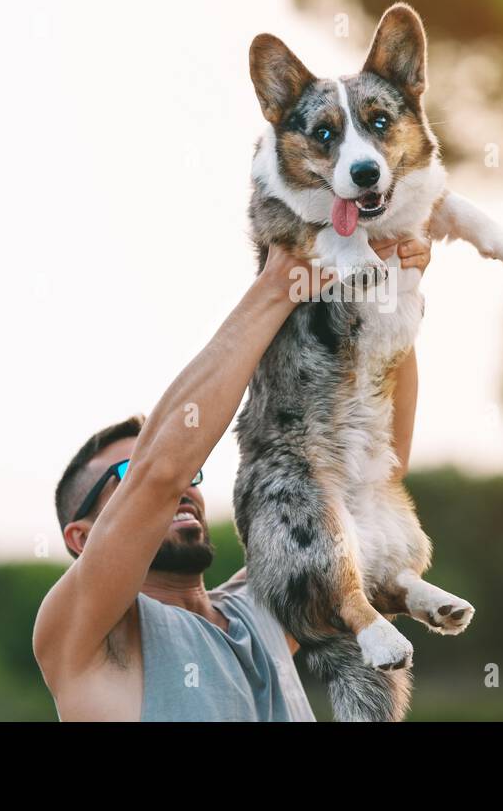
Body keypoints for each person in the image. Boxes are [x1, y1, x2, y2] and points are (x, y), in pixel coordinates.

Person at [32, 235, 432, 721]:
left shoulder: (264, 609)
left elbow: (369, 480)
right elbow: (161, 474)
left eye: (194, 474)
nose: (185, 488)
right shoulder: (83, 637)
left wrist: (389, 293)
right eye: (124, 474)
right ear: (82, 536)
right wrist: (276, 286)